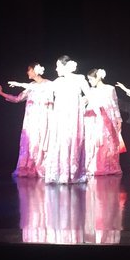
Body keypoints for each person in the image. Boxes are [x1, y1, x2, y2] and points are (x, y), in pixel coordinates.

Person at [0, 62, 53, 178]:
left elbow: (50, 98)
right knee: (31, 142)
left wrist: (18, 84)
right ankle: (29, 166)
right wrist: (2, 93)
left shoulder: (48, 84)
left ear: (35, 71)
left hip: (43, 118)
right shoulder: (30, 86)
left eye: (29, 70)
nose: (27, 72)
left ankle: (42, 166)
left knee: (41, 141)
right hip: (31, 119)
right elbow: (18, 99)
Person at [44, 55, 90, 184]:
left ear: (65, 66)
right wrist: (22, 84)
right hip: (61, 116)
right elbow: (41, 88)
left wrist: (82, 102)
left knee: (73, 141)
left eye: (58, 66)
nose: (56, 69)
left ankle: (73, 173)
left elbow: (89, 94)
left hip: (74, 117)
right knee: (62, 141)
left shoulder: (79, 78)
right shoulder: (58, 81)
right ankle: (61, 173)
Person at [84, 68, 123, 176]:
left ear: (98, 77)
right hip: (94, 119)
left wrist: (119, 119)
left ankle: (108, 166)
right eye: (88, 80)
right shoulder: (91, 91)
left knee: (108, 142)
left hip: (108, 118)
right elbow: (84, 101)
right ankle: (94, 166)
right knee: (94, 142)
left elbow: (115, 104)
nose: (90, 82)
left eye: (91, 79)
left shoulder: (110, 89)